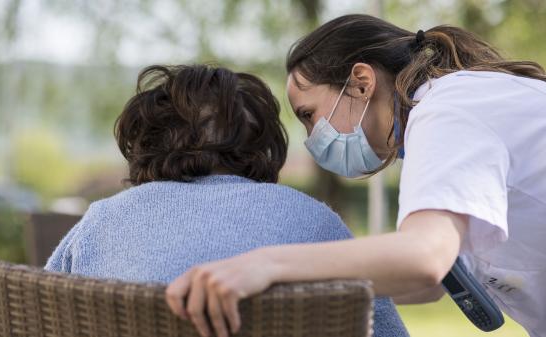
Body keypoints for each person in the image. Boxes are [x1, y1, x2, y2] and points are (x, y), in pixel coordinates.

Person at [165, 14, 546, 337]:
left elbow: (425, 257)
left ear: (361, 82)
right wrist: (283, 293)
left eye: (309, 115)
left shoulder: (447, 112)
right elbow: (434, 281)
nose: (311, 137)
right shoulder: (444, 119)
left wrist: (265, 265)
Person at [44, 64, 409, 337]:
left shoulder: (103, 221)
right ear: (261, 143)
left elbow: (41, 316)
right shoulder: (318, 222)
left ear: (149, 140)